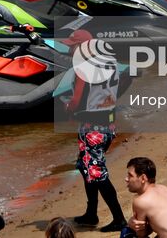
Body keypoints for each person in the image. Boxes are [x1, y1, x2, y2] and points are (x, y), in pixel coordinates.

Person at [63, 31, 126, 231]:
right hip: (107, 125)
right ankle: (91, 213)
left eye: (73, 45)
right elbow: (123, 83)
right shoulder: (111, 62)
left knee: (97, 173)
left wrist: (67, 108)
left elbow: (78, 100)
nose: (70, 49)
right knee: (85, 167)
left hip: (92, 129)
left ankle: (119, 219)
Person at [125, 158, 167, 238]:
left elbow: (141, 234)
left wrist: (130, 225)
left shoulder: (141, 201)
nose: (126, 179)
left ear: (143, 178)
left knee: (126, 233)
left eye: (130, 176)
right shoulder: (163, 188)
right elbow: (160, 224)